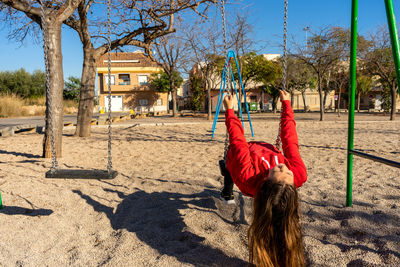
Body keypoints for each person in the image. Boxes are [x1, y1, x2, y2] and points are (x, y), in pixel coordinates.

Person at [220, 90, 307, 267]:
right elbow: (290, 140)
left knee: (231, 161)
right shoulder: (298, 173)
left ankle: (227, 179)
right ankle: (227, 182)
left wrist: (230, 111)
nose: (284, 166)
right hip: (264, 149)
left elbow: (238, 142)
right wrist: (287, 105)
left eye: (278, 170)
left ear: (267, 181)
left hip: (242, 157)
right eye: (287, 173)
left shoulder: (249, 177)